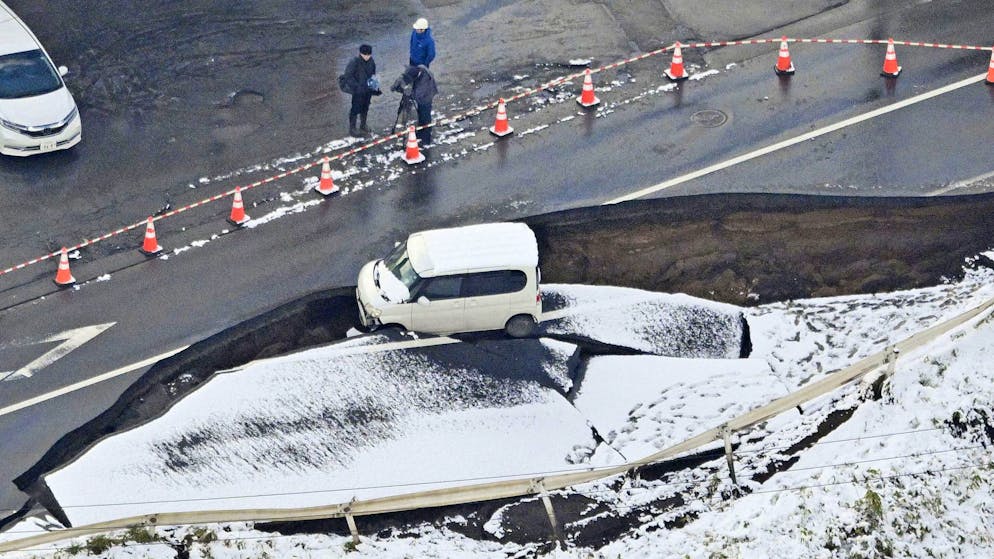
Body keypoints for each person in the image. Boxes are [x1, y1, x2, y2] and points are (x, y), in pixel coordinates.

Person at [392, 64, 438, 146]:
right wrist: (400, 81)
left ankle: (426, 138)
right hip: (420, 93)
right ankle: (421, 130)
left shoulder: (424, 82)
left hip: (426, 97)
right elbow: (405, 75)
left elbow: (415, 95)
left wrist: (405, 91)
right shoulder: (413, 70)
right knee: (420, 114)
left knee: (425, 116)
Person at [343, 44, 380, 136]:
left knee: (365, 107)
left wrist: (375, 87)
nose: (367, 57)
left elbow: (373, 75)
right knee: (355, 108)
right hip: (358, 91)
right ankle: (352, 128)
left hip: (367, 90)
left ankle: (363, 125)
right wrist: (357, 86)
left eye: (369, 55)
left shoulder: (372, 62)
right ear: (360, 53)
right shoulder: (354, 62)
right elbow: (348, 76)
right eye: (365, 54)